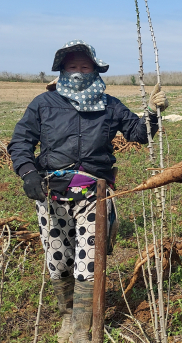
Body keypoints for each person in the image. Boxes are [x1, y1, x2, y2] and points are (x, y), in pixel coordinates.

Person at [8, 41, 168, 343]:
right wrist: (28, 172)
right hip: (51, 193)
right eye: (72, 66)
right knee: (58, 260)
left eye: (85, 66)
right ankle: (68, 316)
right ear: (62, 70)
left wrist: (153, 112)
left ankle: (82, 330)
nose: (79, 72)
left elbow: (138, 133)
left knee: (89, 261)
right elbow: (20, 141)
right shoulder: (44, 104)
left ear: (95, 70)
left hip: (95, 192)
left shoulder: (109, 104)